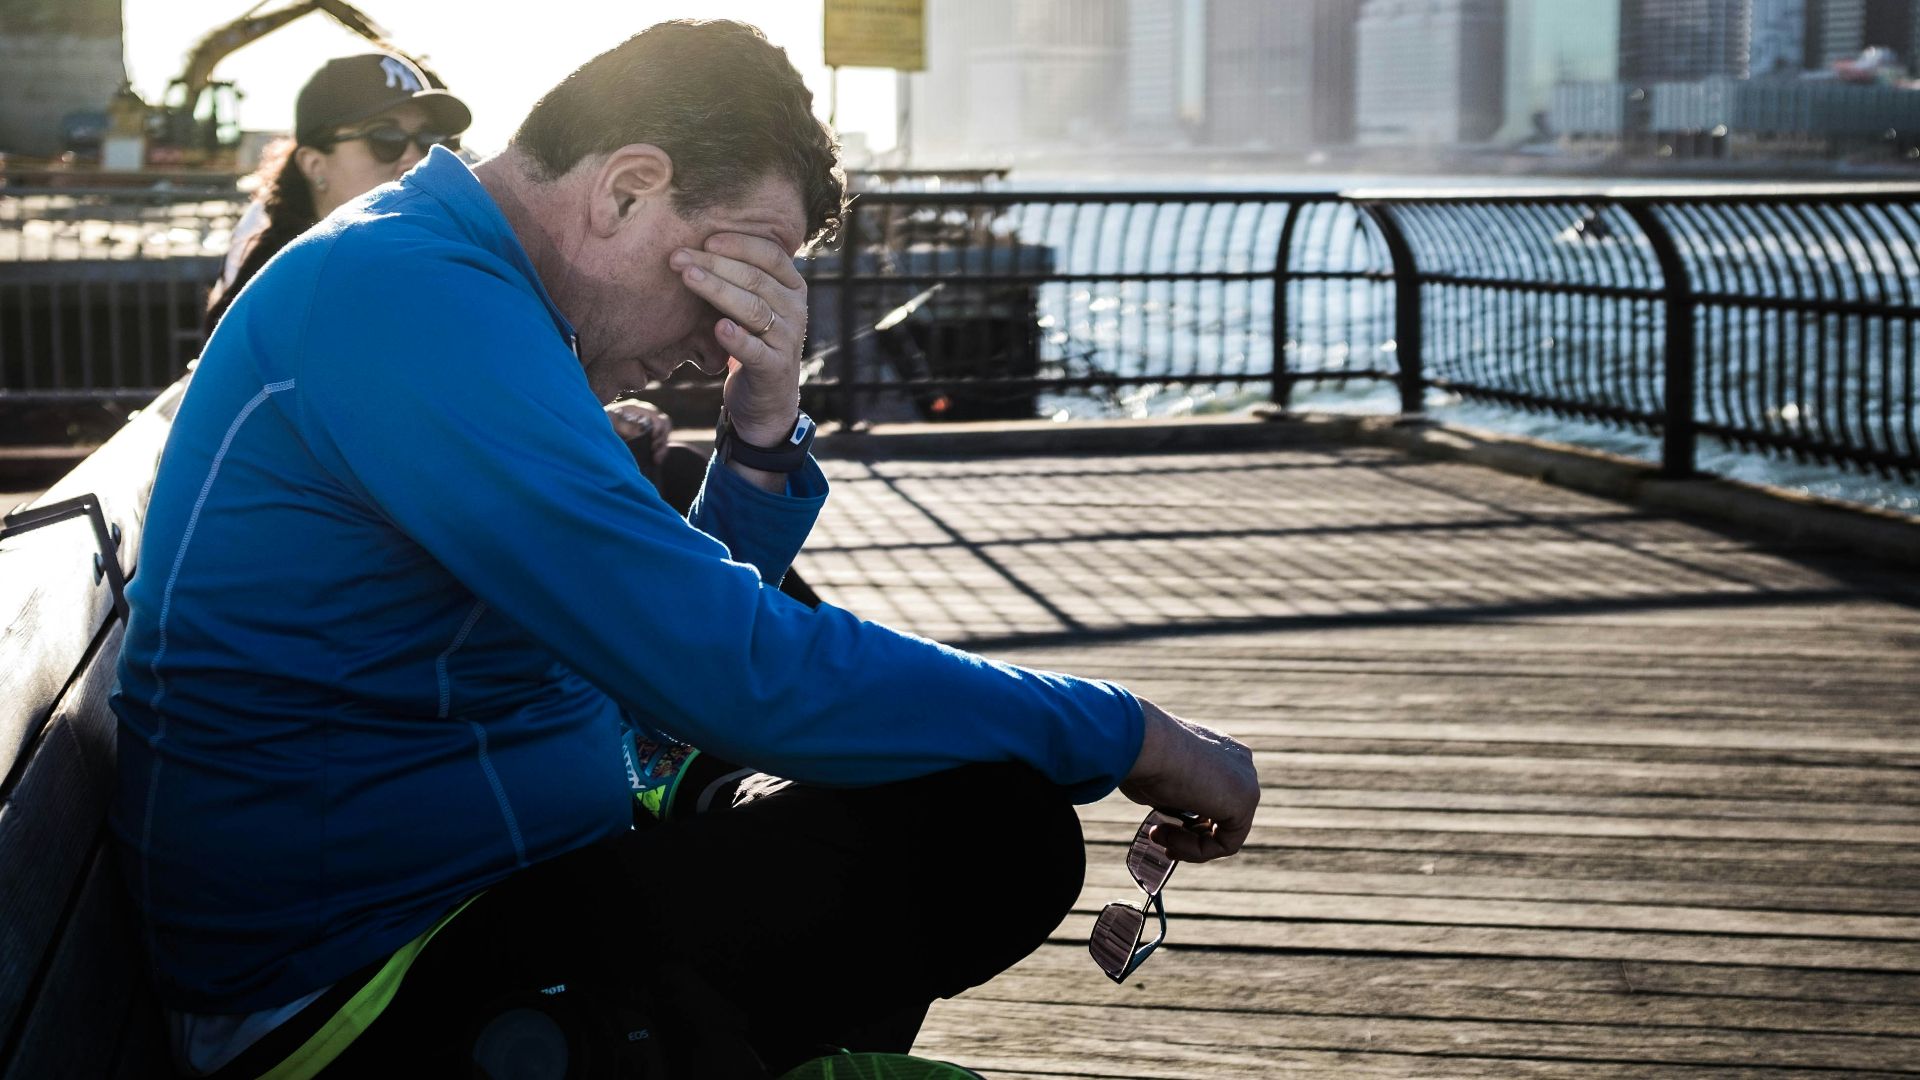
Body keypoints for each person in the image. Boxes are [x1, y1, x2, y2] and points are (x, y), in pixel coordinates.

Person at [111, 19, 1258, 1080]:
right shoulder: (409, 305)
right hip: (352, 995)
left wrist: (759, 438)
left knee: (964, 801)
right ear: (625, 189)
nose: (741, 321)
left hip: (472, 886)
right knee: (983, 835)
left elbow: (660, 634)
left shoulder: (455, 281)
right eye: (741, 261)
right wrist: (1133, 733)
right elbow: (723, 671)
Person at [204, 52, 472, 335]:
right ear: (314, 165)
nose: (416, 158)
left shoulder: (450, 257)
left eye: (430, 140)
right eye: (385, 138)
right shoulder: (279, 287)